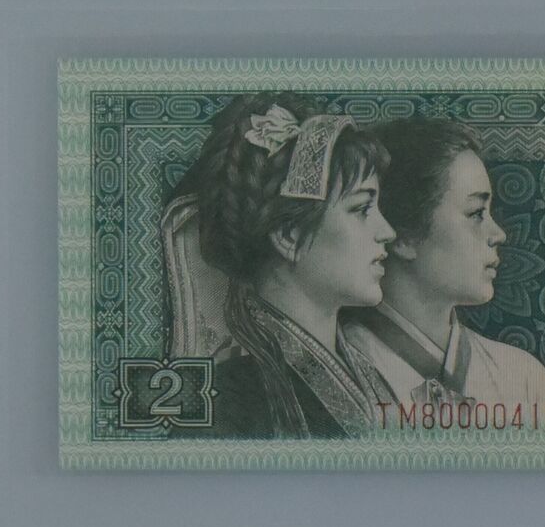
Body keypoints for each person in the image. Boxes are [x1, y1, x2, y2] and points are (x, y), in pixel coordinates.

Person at [167, 92, 400, 438]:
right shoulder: (225, 402)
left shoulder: (369, 375)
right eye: (361, 208)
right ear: (290, 235)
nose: (388, 232)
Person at [344, 119, 545, 433]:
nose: (498, 234)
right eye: (476, 213)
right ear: (403, 237)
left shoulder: (522, 377)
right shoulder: (339, 370)